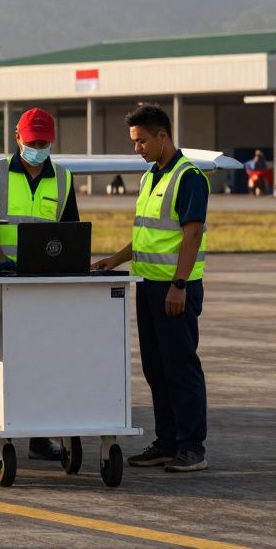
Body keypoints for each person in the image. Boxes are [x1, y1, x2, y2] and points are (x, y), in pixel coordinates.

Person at [93, 104, 209, 473]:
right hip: (146, 287)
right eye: (134, 142)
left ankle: (192, 447)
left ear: (163, 135)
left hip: (174, 289)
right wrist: (114, 260)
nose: (137, 148)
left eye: (142, 140)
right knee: (156, 368)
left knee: (181, 368)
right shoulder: (149, 178)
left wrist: (179, 285)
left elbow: (192, 234)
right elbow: (145, 235)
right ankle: (167, 442)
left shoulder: (188, 177)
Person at [0, 106, 78, 462]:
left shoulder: (63, 179)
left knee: (44, 361)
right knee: (5, 362)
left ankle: (38, 438)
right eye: (33, 141)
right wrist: (1, 261)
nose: (38, 147)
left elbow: (71, 232)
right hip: (4, 283)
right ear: (18, 138)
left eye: (44, 142)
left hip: (45, 286)